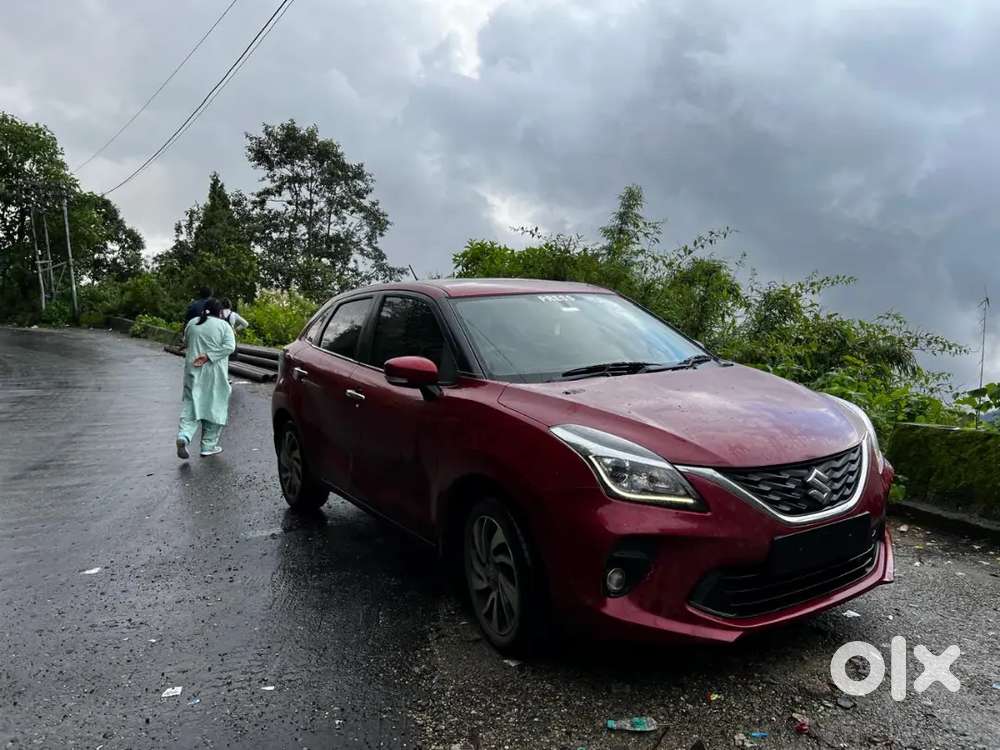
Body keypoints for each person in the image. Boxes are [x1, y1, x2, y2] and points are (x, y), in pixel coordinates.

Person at [176, 298, 236, 459]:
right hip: (214, 373)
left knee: (192, 404)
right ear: (220, 312)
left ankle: (184, 435)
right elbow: (230, 347)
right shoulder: (224, 326)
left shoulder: (192, 323)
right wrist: (209, 356)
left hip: (192, 370)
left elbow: (186, 342)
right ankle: (208, 446)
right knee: (215, 406)